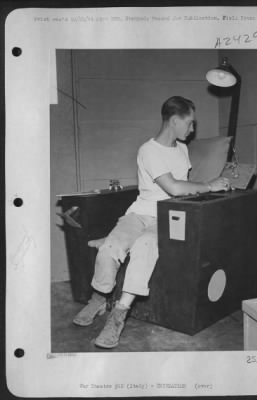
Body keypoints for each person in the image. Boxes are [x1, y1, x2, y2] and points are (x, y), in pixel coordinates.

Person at [73, 96, 230, 349]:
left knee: (146, 246)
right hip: (139, 213)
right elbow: (175, 187)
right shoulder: (148, 150)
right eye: (189, 123)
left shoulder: (182, 149)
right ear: (175, 121)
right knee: (109, 249)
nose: (192, 130)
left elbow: (185, 189)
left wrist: (214, 186)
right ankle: (100, 297)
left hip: (167, 216)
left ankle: (118, 315)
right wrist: (210, 184)